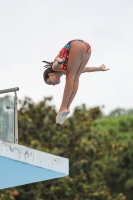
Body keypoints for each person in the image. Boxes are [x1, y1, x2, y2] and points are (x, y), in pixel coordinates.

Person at [43, 39, 109, 124]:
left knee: (70, 77)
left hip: (76, 44)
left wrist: (59, 62)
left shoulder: (55, 68)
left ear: (50, 75)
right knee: (76, 76)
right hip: (87, 48)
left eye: (50, 82)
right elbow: (85, 69)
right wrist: (99, 69)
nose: (53, 85)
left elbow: (55, 65)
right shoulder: (67, 69)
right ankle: (67, 107)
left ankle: (62, 107)